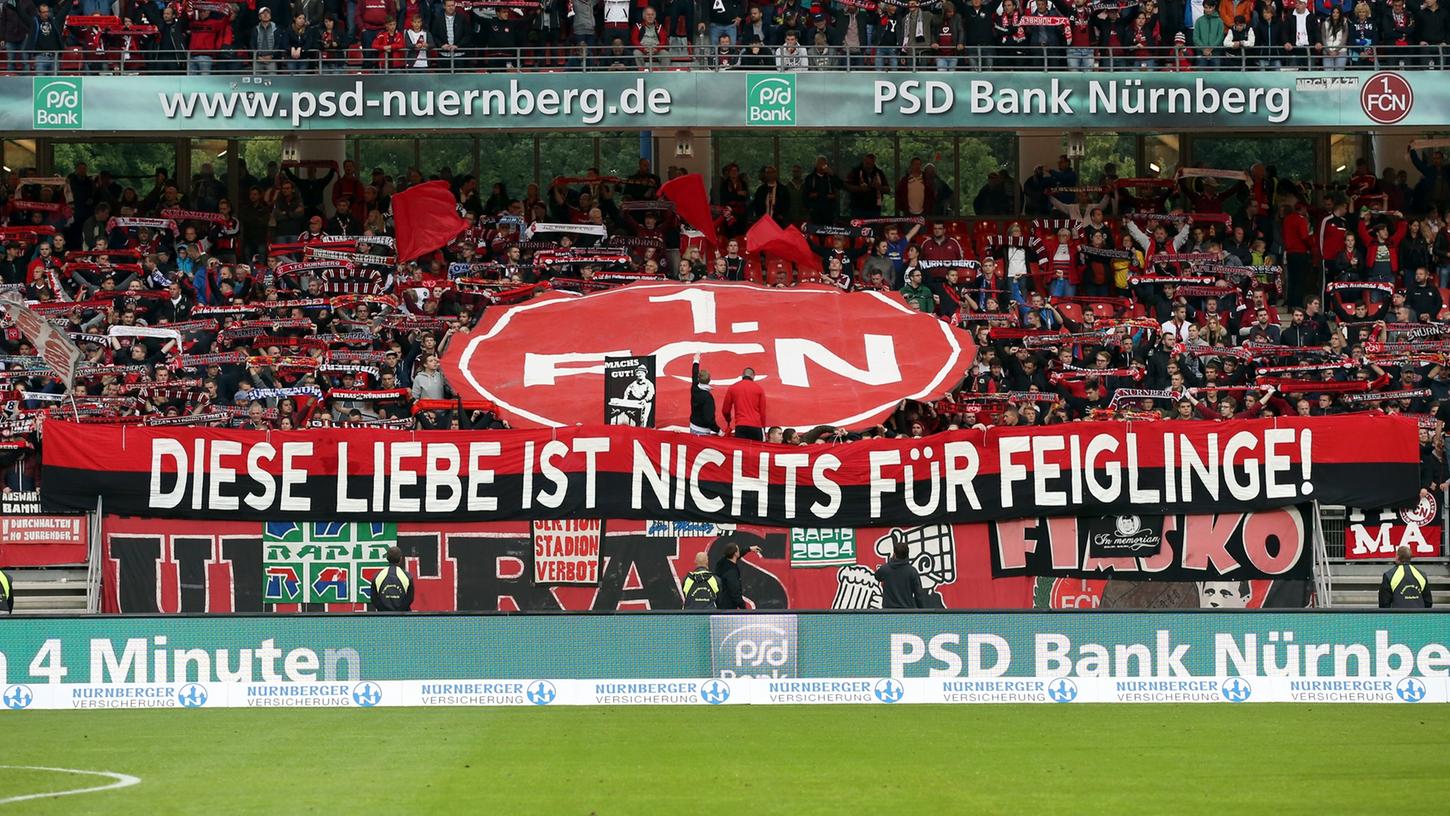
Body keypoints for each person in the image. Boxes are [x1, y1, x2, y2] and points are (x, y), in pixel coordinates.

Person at [874, 539, 928, 609]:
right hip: (906, 612)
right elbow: (918, 594)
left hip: (888, 612)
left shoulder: (885, 569)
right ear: (907, 554)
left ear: (894, 554)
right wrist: (923, 611)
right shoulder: (912, 571)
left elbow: (877, 576)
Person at [1379, 544, 1434, 608]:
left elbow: (1384, 602)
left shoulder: (1389, 575)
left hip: (1397, 616)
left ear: (1397, 557)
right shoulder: (1421, 575)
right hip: (1419, 616)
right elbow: (1428, 601)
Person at [713, 541, 764, 609]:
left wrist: (749, 549)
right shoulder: (732, 572)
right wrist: (743, 608)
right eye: (738, 550)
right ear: (735, 554)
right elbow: (735, 592)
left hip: (720, 604)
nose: (739, 551)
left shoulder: (722, 563)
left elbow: (737, 554)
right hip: (728, 608)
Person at [722, 367, 767, 440]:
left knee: (741, 450)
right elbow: (762, 412)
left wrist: (728, 420)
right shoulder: (759, 389)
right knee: (755, 450)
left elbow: (725, 410)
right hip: (756, 426)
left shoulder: (733, 388)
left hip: (740, 426)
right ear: (753, 376)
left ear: (742, 375)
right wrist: (763, 428)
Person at [370, 546, 414, 612]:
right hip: (402, 618)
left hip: (383, 618)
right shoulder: (407, 576)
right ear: (401, 559)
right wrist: (399, 612)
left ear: (387, 558)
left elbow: (374, 598)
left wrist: (385, 612)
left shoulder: (377, 576)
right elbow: (410, 598)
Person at [690, 354, 720, 435]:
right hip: (703, 431)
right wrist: (718, 431)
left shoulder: (694, 388)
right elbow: (709, 419)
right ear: (709, 380)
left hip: (693, 427)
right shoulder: (707, 397)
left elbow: (694, 373)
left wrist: (696, 360)